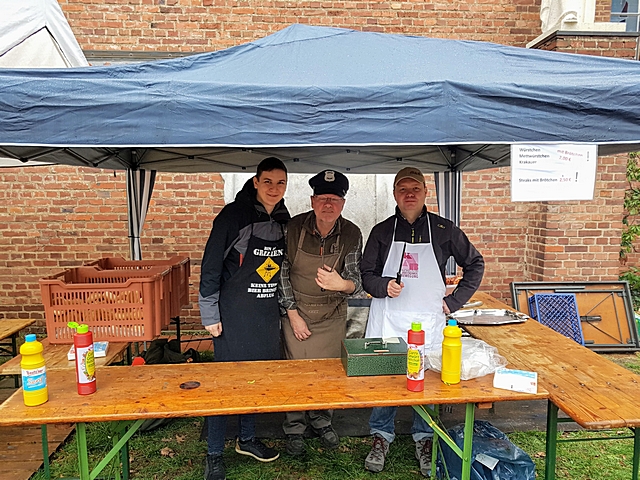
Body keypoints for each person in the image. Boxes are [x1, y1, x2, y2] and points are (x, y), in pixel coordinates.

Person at [361, 166, 484, 477]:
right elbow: (366, 274)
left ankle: (425, 437)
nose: (410, 194)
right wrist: (383, 286)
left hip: (428, 320)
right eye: (403, 189)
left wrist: (454, 301)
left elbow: (475, 264)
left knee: (427, 380)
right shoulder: (381, 231)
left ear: (426, 192)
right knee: (385, 379)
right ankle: (381, 435)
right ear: (395, 194)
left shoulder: (444, 230)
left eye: (415, 188)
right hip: (388, 318)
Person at [199, 157, 290, 480]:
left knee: (257, 380)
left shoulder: (283, 219)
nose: (274, 189)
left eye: (280, 183)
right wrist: (209, 313)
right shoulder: (232, 216)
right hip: (232, 314)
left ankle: (247, 439)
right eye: (268, 182)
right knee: (225, 384)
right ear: (255, 182)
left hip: (265, 314)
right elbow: (210, 266)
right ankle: (214, 453)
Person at [278, 169, 363, 456]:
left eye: (335, 199)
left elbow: (357, 281)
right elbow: (281, 273)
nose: (328, 204)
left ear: (343, 203)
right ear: (313, 201)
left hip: (332, 315)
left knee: (328, 372)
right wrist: (292, 314)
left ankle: (322, 420)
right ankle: (294, 427)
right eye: (323, 198)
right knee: (296, 373)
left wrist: (343, 284)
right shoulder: (292, 228)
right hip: (298, 312)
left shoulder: (352, 233)